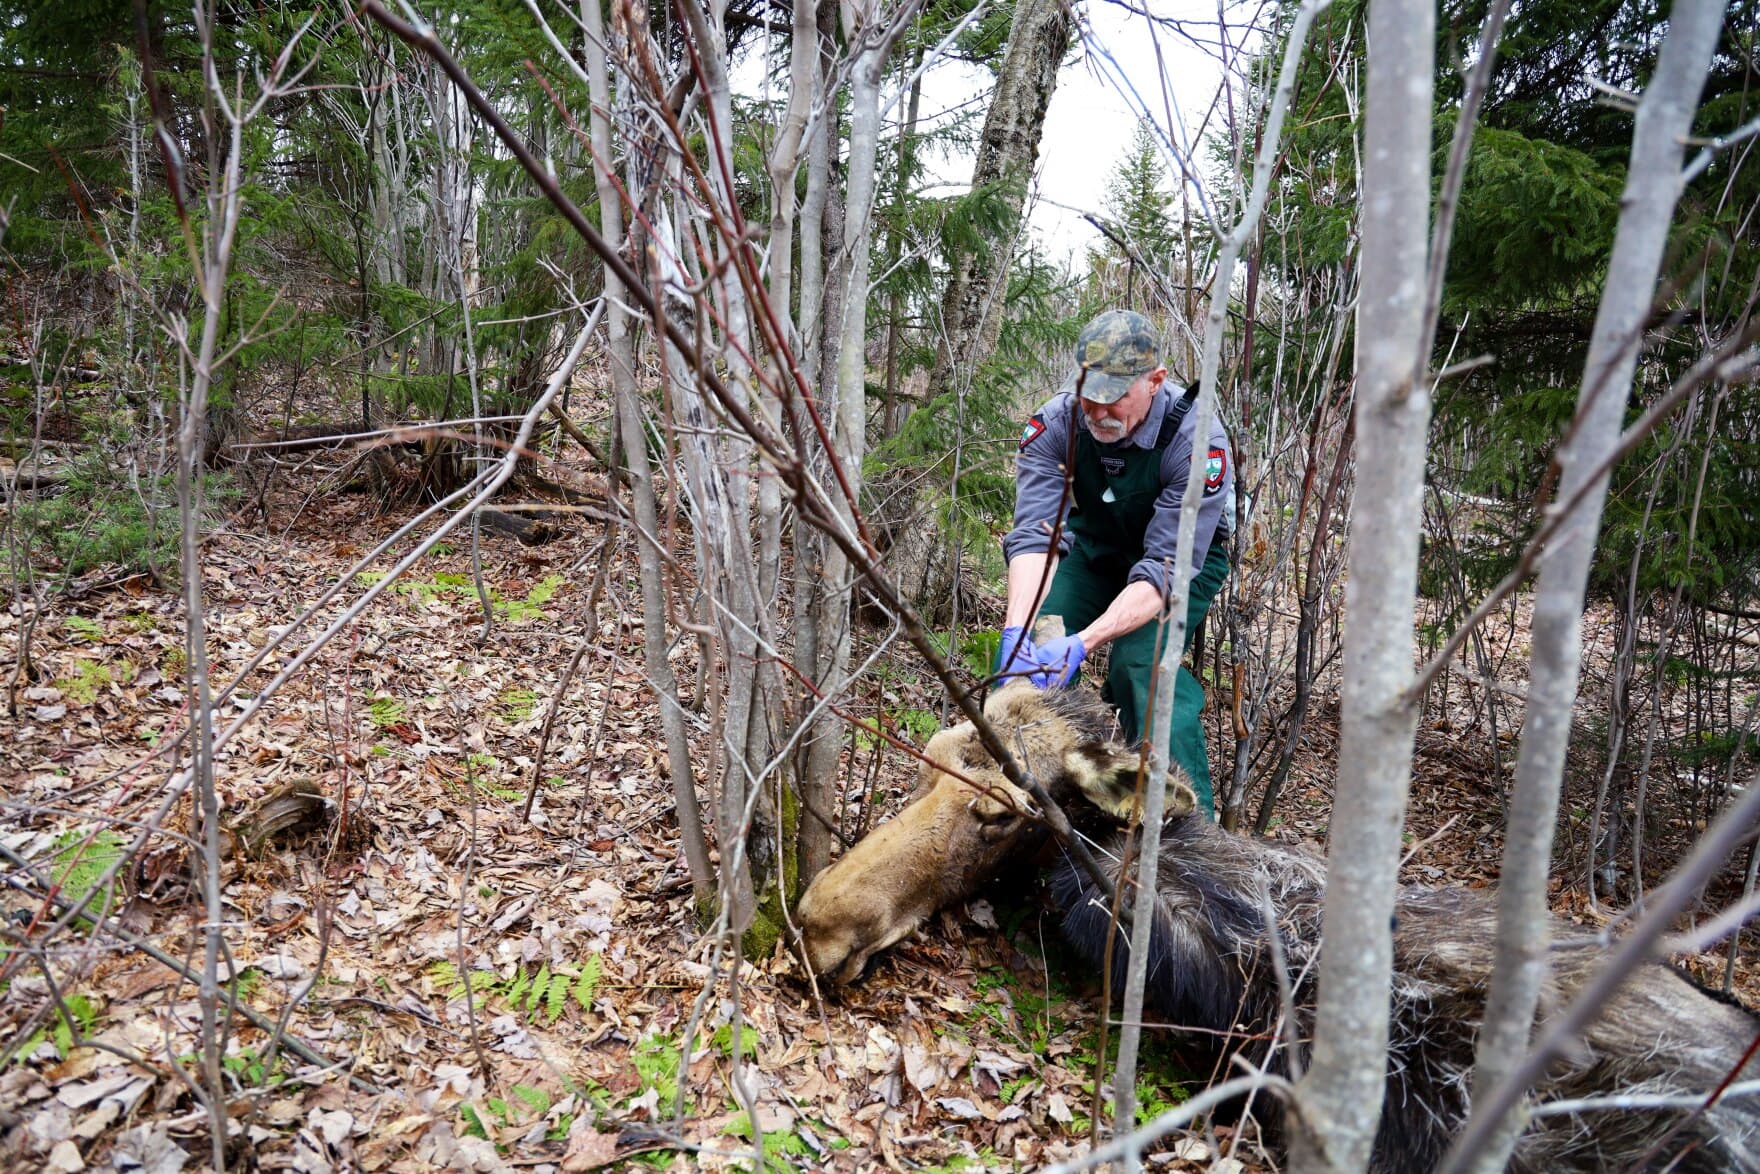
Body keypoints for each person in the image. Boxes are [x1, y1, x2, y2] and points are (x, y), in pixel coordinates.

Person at [997, 309, 1233, 816]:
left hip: (1181, 561)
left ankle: (1189, 828)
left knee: (1140, 665)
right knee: (1041, 633)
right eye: (1089, 391)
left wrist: (1086, 642)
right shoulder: (1055, 423)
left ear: (1156, 381)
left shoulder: (1197, 443)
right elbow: (1037, 536)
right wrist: (1016, 630)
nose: (1098, 408)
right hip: (1097, 545)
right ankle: (1047, 806)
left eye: (1116, 395)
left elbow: (1164, 568)